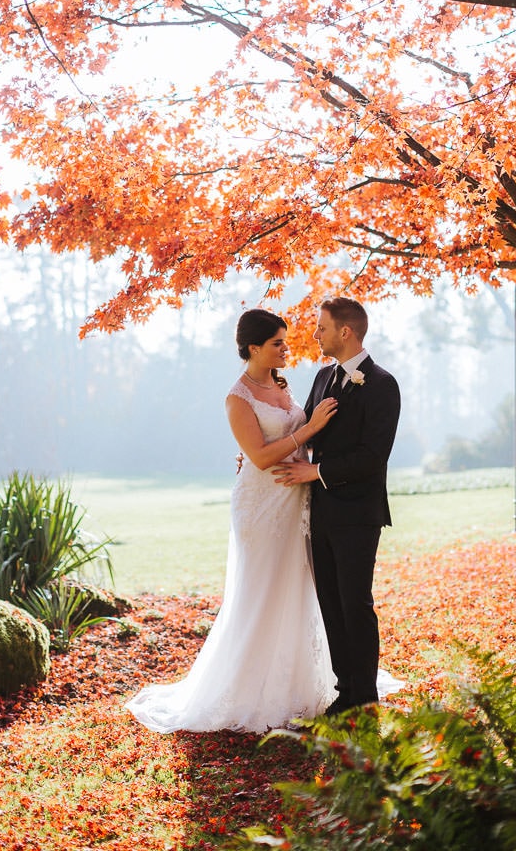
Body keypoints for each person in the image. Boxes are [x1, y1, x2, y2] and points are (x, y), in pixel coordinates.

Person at [124, 308, 340, 733]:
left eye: (285, 341)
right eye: (278, 342)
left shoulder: (281, 384)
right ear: (254, 347)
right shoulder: (236, 397)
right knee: (261, 593)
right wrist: (309, 429)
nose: (286, 348)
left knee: (295, 588)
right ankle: (249, 691)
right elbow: (259, 457)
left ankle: (298, 683)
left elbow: (273, 443)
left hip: (294, 500)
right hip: (261, 508)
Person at [273, 297, 401, 714]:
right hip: (320, 513)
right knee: (330, 601)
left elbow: (372, 456)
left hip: (358, 515)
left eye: (321, 328)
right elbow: (304, 429)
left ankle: (364, 694)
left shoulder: (382, 384)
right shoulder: (322, 376)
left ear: (345, 332)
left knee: (354, 602)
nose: (315, 335)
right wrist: (261, 451)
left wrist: (317, 472)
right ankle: (345, 689)